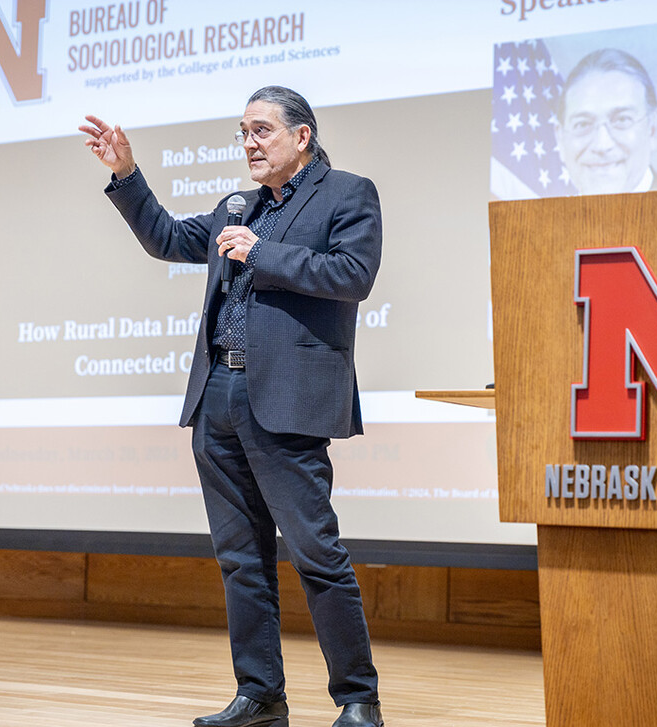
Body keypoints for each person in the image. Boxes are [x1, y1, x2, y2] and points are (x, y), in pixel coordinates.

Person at [80, 86, 384, 727]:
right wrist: (127, 174)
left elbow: (352, 276)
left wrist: (261, 253)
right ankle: (261, 696)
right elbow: (166, 239)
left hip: (287, 401)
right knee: (240, 556)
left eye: (262, 131)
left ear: (302, 137)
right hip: (219, 394)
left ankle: (358, 700)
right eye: (243, 131)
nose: (249, 142)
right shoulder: (237, 205)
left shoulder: (348, 193)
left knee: (316, 554)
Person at [554, 48, 657, 195]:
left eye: (622, 120)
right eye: (583, 124)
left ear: (652, 128)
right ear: (560, 139)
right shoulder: (545, 217)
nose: (602, 145)